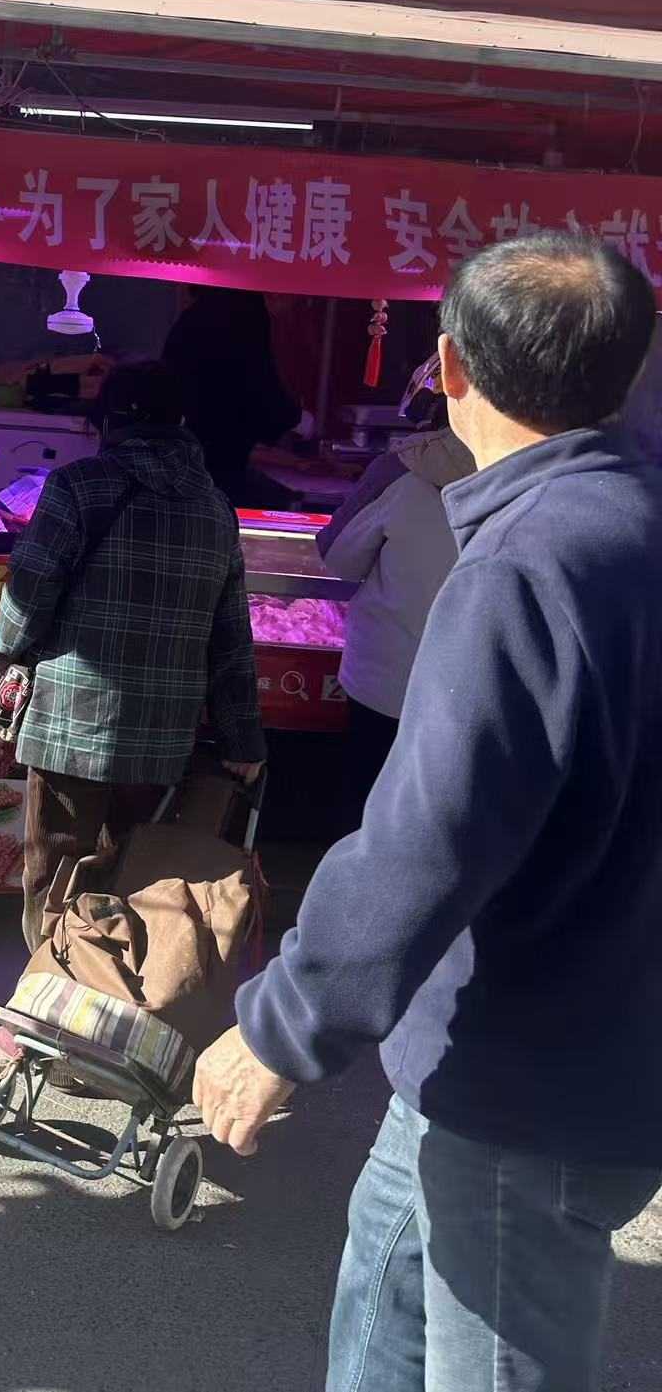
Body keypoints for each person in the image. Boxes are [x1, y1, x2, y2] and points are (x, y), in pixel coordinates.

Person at [194, 232, 662, 1392]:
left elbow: (426, 838)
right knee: (383, 1305)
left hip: (529, 1071)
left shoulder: (527, 562)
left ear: (446, 366)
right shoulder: (627, 520)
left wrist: (281, 1025)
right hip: (528, 1051)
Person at [0, 360, 267, 952]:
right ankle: (112, 989)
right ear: (182, 423)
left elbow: (27, 593)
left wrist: (6, 653)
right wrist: (243, 739)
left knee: (56, 871)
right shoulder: (215, 508)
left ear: (109, 422)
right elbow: (231, 637)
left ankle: (50, 985)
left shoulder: (79, 485)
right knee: (131, 876)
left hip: (69, 722)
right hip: (163, 735)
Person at [316, 354, 474, 792]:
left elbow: (339, 559)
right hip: (476, 696)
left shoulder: (399, 471)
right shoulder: (535, 477)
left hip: (384, 684)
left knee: (369, 809)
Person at [162, 286, 299, 504]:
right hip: (217, 467)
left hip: (188, 460)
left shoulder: (196, 316)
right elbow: (265, 399)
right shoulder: (243, 315)